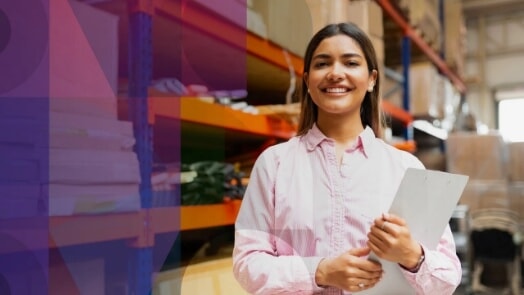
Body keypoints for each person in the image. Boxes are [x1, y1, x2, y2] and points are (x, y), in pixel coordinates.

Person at [232, 22, 461, 294]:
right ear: (307, 81)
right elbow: (247, 263)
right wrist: (321, 271)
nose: (335, 73)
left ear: (372, 79)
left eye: (350, 63)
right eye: (322, 64)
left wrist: (412, 255)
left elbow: (447, 277)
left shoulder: (405, 168)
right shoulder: (275, 164)